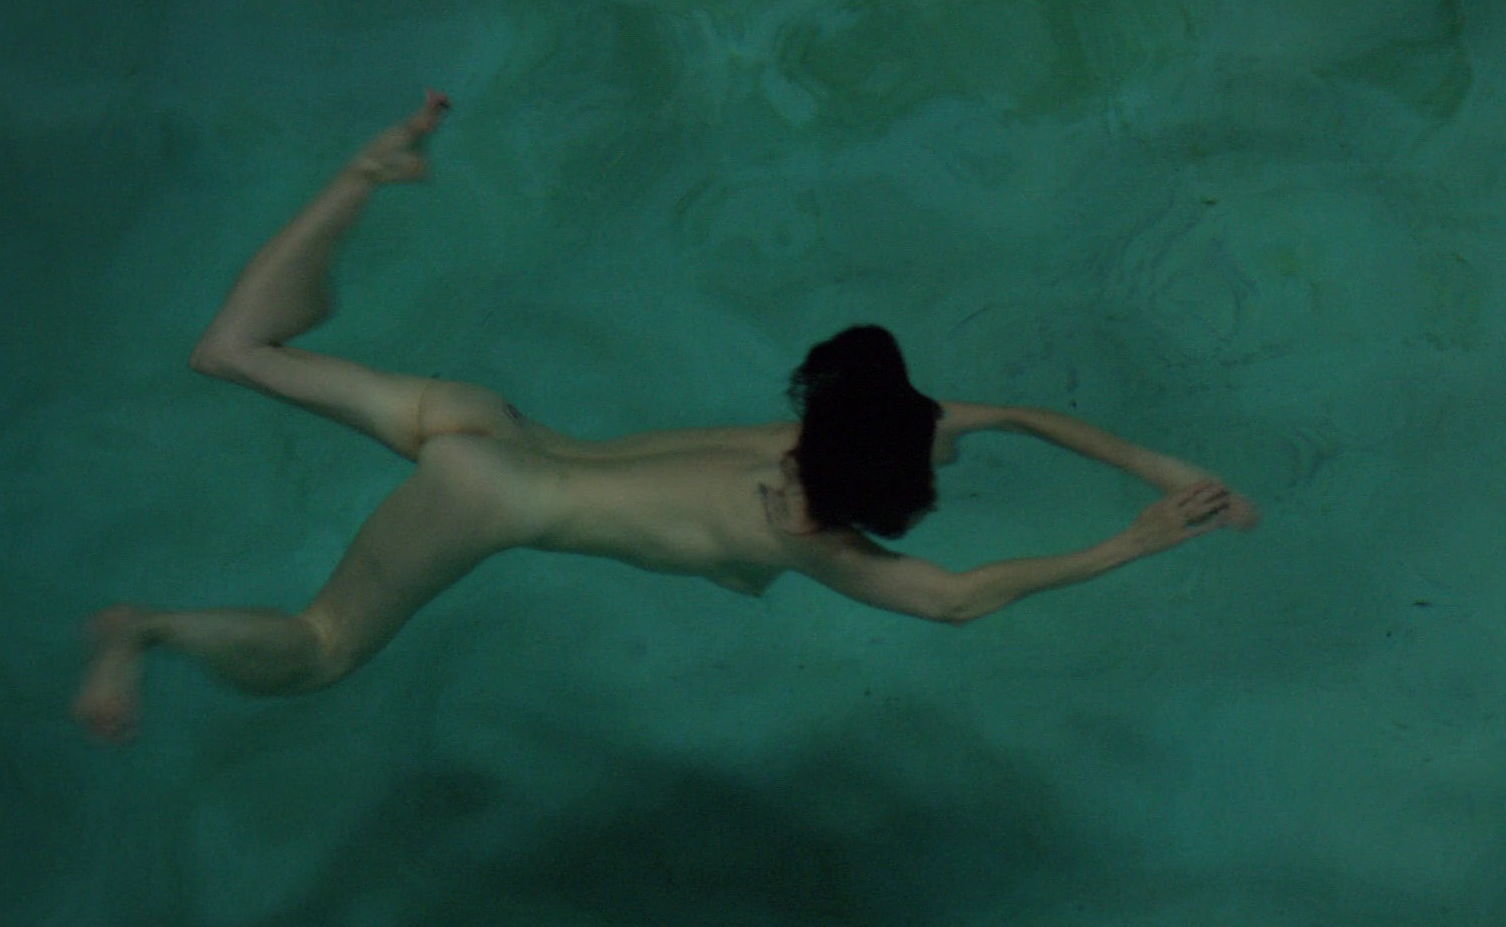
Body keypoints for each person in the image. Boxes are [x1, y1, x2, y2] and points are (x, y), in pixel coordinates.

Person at [73, 91, 1260, 744]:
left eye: (797, 486)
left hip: (490, 424)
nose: (778, 484)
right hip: (488, 488)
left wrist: (1162, 475)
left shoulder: (859, 435)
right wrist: (1135, 533)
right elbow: (957, 597)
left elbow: (1024, 422)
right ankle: (154, 632)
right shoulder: (824, 538)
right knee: (323, 649)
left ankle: (359, 179)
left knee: (236, 351)